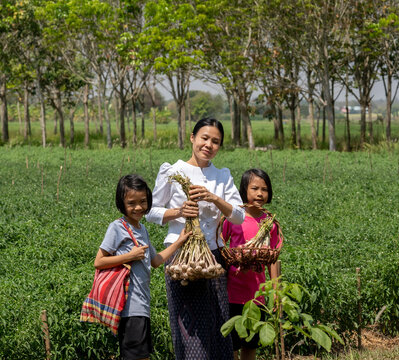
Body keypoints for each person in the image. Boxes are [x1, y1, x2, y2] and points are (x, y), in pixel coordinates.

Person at [146, 118, 245, 360]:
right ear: (192, 138)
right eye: (204, 138)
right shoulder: (173, 170)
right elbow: (151, 211)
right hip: (182, 257)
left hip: (213, 258)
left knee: (217, 322)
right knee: (189, 326)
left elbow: (239, 216)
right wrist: (179, 212)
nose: (209, 145)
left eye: (216, 142)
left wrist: (214, 198)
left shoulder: (222, 175)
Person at [94, 174, 191, 360]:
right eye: (131, 203)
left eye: (143, 201)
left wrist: (179, 241)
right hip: (130, 307)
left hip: (142, 305)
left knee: (141, 356)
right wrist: (129, 256)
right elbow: (99, 261)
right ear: (121, 203)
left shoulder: (142, 229)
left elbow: (155, 261)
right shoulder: (117, 227)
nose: (138, 207)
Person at [221, 169, 281, 360]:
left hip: (257, 294)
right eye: (254, 188)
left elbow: (273, 258)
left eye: (264, 189)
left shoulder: (270, 223)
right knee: (232, 344)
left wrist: (275, 289)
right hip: (232, 291)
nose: (259, 193)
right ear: (244, 191)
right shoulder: (234, 217)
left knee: (251, 344)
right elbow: (221, 245)